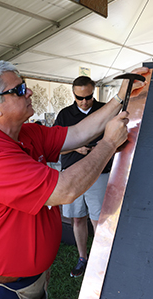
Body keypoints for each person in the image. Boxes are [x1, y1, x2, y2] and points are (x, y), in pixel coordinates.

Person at [0, 59, 148, 299]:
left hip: (22, 281)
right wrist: (107, 144)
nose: (29, 91)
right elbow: (65, 189)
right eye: (19, 90)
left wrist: (119, 97)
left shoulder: (24, 132)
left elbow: (78, 133)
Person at [54, 76, 113, 278]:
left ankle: (102, 260)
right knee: (77, 219)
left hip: (100, 173)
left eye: (88, 97)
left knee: (99, 220)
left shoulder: (105, 111)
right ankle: (83, 258)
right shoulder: (64, 115)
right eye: (80, 98)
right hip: (72, 175)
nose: (84, 102)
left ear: (94, 91)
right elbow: (54, 146)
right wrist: (75, 147)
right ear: (74, 94)